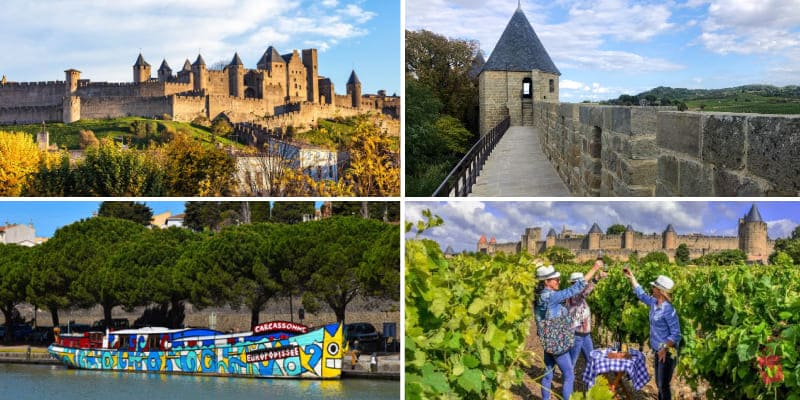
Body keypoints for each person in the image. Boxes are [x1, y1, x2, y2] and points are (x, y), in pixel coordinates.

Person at [535, 261, 603, 400]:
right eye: (555, 279)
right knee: (569, 375)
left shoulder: (539, 297)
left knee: (548, 374)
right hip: (557, 344)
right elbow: (576, 288)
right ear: (546, 282)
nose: (558, 280)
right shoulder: (551, 297)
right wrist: (595, 268)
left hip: (548, 343)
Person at [623, 268, 681, 400]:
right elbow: (641, 294)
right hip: (658, 349)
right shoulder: (655, 303)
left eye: (654, 287)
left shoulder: (668, 309)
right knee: (659, 383)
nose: (652, 288)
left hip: (667, 350)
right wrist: (631, 277)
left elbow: (676, 334)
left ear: (660, 291)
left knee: (663, 385)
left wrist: (664, 349)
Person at [566, 267, 605, 368]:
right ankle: (568, 382)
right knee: (572, 362)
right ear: (575, 284)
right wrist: (596, 278)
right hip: (577, 335)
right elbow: (586, 291)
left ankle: (590, 383)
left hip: (586, 335)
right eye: (582, 283)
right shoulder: (574, 296)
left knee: (591, 360)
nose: (585, 285)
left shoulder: (579, 297)